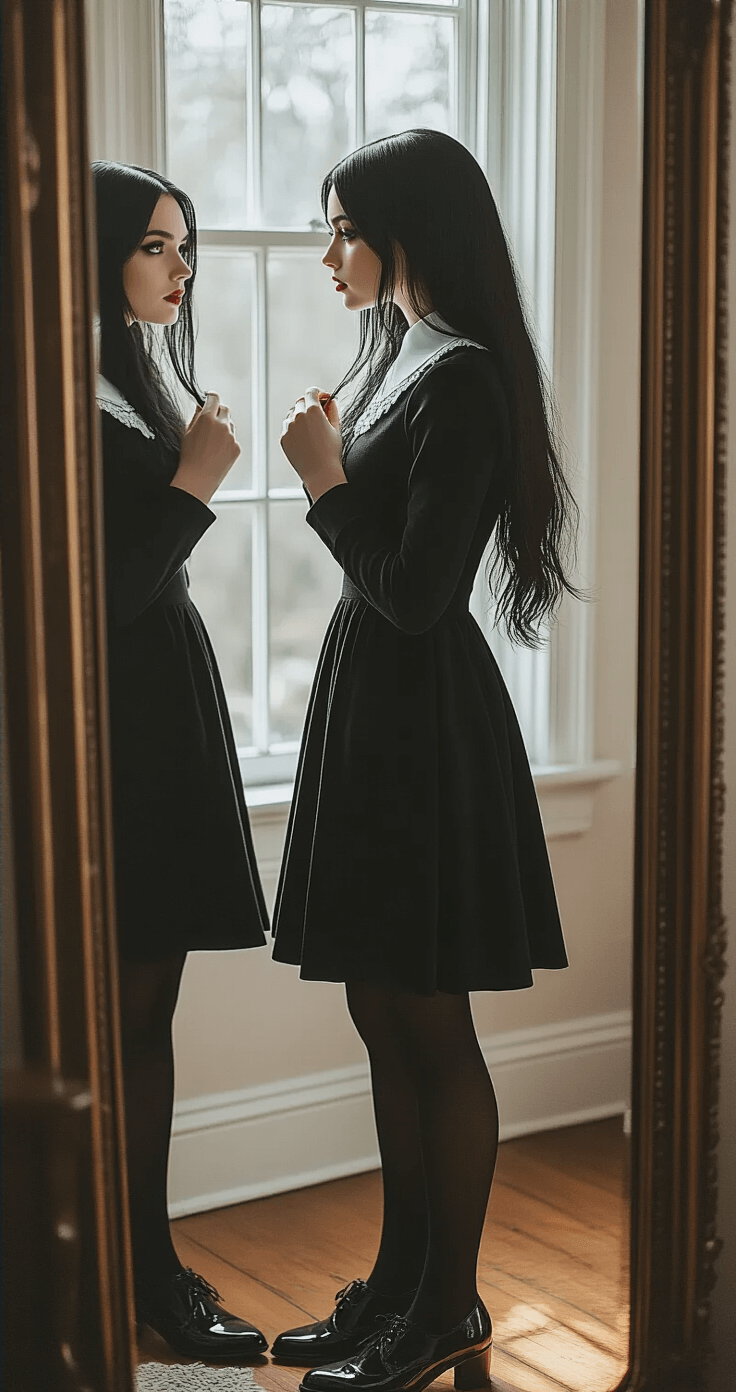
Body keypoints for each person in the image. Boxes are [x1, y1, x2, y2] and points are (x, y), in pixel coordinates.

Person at [270, 129, 575, 1392]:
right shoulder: (405, 356)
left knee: (426, 1020)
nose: (329, 252)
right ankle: (400, 1290)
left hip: (422, 721)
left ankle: (445, 1308)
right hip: (379, 713)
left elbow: (414, 594)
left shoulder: (464, 380)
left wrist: (325, 482)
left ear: (410, 232)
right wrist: (343, 467)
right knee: (381, 1007)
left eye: (344, 227)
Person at [93, 160, 269, 1362]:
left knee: (148, 1006)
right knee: (119, 1012)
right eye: (158, 245)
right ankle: (132, 1272)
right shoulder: (62, 392)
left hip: (159, 712)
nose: (182, 267)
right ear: (99, 255)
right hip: (113, 726)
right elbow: (89, 596)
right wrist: (198, 482)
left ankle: (147, 1265)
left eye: (185, 245)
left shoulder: (130, 378)